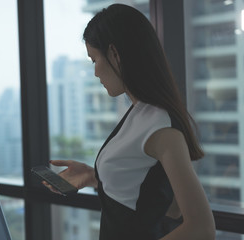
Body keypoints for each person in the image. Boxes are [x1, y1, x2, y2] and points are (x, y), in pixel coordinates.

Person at [44, 3, 216, 240]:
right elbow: (160, 200)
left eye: (94, 59)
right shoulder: (141, 114)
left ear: (115, 54)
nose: (95, 72)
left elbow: (201, 228)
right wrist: (95, 177)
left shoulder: (160, 126)